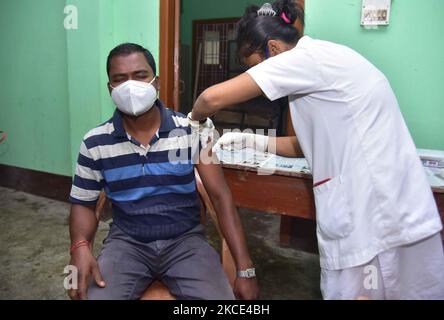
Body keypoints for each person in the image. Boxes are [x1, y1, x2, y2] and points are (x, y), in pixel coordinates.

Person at [191, 0, 444, 299]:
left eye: (254, 67)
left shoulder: (304, 60)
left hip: (375, 215)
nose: (254, 77)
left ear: (272, 49)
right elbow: (305, 145)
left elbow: (210, 99)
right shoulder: (323, 62)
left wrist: (193, 120)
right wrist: (251, 139)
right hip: (390, 209)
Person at [67, 43, 259, 300]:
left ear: (156, 82)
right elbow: (83, 203)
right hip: (127, 243)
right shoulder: (95, 142)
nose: (130, 86)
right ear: (110, 88)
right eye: (119, 79)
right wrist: (79, 246)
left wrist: (245, 270)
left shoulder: (192, 130)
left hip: (186, 242)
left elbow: (221, 197)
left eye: (140, 75)